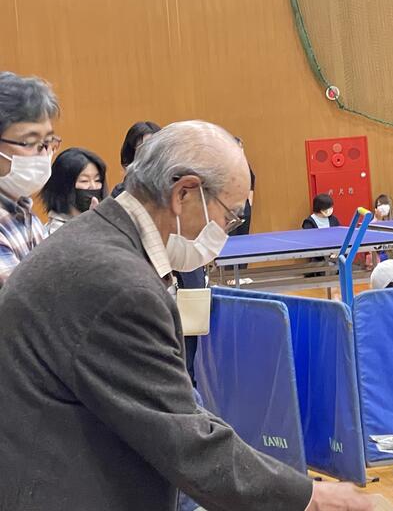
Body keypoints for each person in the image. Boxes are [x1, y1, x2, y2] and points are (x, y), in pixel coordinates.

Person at [0, 120, 371, 511]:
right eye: (230, 216)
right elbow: (185, 442)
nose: (227, 230)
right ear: (184, 193)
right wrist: (310, 498)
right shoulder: (119, 284)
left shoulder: (99, 239)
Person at [0, 72, 61, 288]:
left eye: (48, 141)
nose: (44, 153)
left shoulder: (24, 210)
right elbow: (28, 302)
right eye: (29, 142)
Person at [40, 147, 107, 235]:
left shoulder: (106, 224)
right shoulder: (54, 233)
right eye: (84, 181)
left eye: (97, 180)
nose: (93, 186)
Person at [111, 120, 160, 197]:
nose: (148, 153)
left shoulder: (173, 185)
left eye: (151, 146)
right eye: (140, 148)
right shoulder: (121, 192)